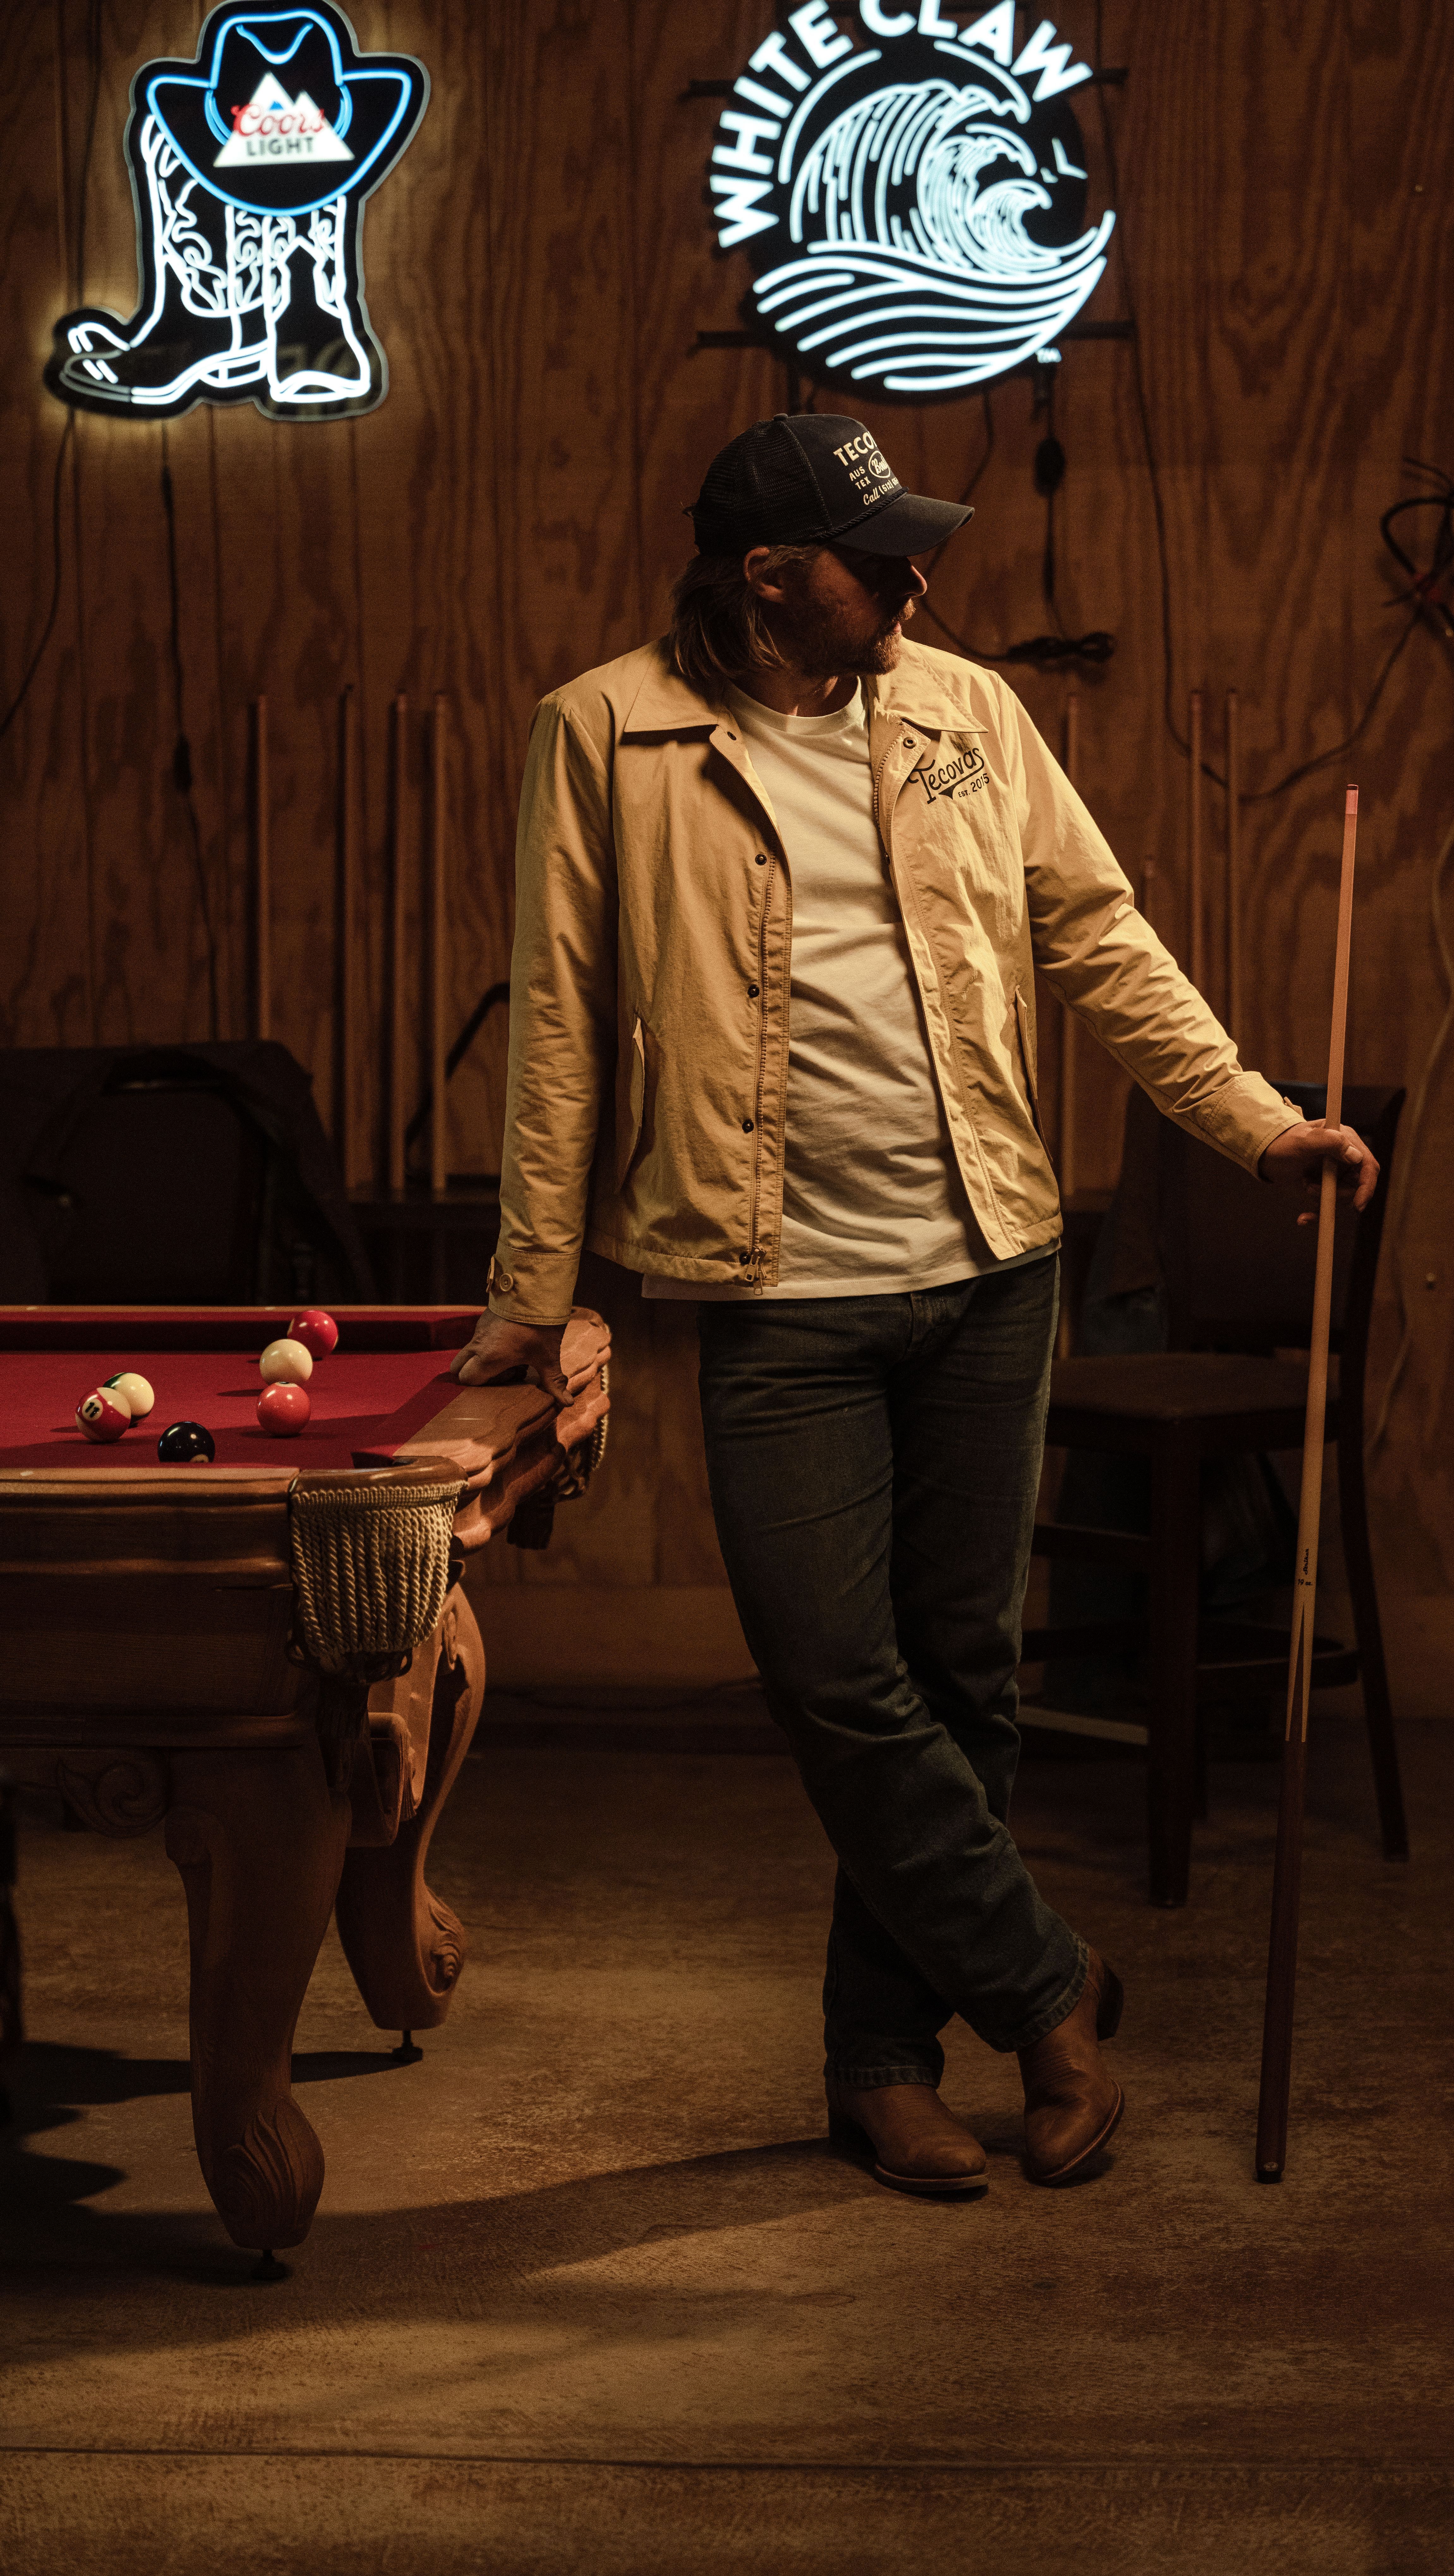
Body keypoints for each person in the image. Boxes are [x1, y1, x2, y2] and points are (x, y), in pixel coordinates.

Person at [454, 413, 1378, 2198]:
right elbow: (560, 1023)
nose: (918, 580)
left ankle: (878, 2063)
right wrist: (530, 1291)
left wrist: (1254, 1123)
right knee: (831, 1676)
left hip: (984, 1269)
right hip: (770, 1288)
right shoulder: (607, 732)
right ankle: (1041, 1990)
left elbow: (1096, 936)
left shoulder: (966, 712)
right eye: (879, 557)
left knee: (961, 1680)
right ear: (766, 575)